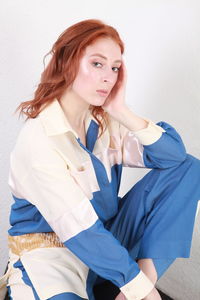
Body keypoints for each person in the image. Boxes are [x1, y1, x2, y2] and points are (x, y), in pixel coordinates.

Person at [0, 18, 200, 300]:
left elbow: (173, 157)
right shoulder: (39, 140)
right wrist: (142, 293)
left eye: (115, 67)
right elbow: (81, 232)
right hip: (52, 256)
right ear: (67, 62)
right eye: (97, 63)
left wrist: (121, 111)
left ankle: (140, 277)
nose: (109, 76)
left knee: (189, 169)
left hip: (108, 237)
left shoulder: (105, 122)